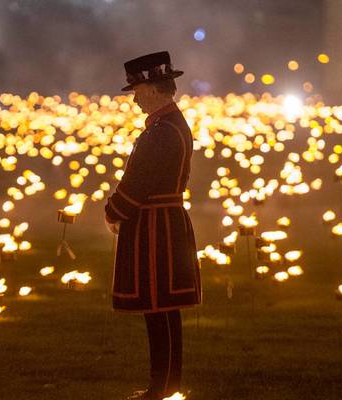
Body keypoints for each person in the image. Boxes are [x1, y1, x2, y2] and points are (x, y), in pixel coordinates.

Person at [104, 51, 202, 400]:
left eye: (137, 92)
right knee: (162, 311)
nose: (135, 101)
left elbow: (137, 183)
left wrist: (113, 210)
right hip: (162, 223)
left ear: (151, 89)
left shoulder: (161, 132)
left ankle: (162, 388)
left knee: (159, 310)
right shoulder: (171, 125)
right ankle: (164, 385)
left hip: (156, 228)